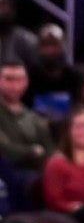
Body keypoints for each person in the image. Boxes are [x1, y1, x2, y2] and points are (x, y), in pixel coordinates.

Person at [0, 60, 55, 193]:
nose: (15, 85)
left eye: (20, 79)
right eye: (9, 79)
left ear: (27, 82)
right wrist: (32, 151)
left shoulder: (35, 117)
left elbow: (49, 153)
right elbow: (5, 149)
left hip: (35, 178)